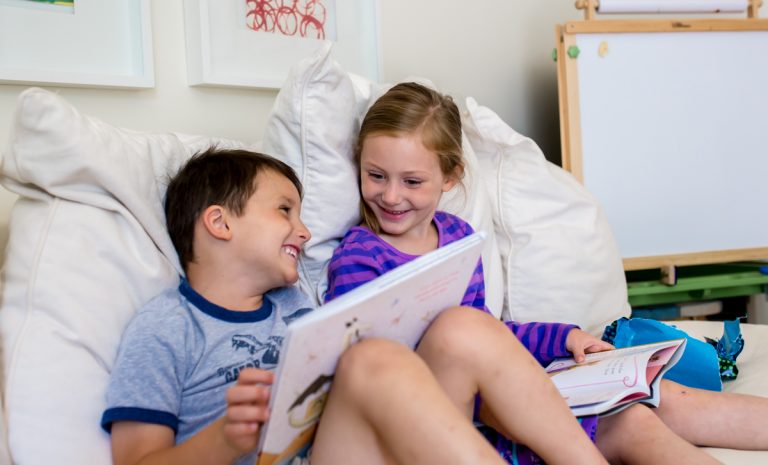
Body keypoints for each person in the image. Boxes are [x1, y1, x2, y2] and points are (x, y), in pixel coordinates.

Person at [324, 81, 768, 464]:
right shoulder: (360, 257)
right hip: (440, 422)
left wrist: (563, 338)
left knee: (640, 410)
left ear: (450, 178)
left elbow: (491, 337)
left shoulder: (458, 238)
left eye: (411, 181)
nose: (391, 196)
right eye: (376, 175)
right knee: (462, 330)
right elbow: (368, 372)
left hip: (490, 399)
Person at [100, 147, 610, 465]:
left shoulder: (295, 308)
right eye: (284, 211)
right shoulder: (166, 328)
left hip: (347, 449)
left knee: (463, 327)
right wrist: (225, 440)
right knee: (371, 358)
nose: (304, 231)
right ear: (219, 222)